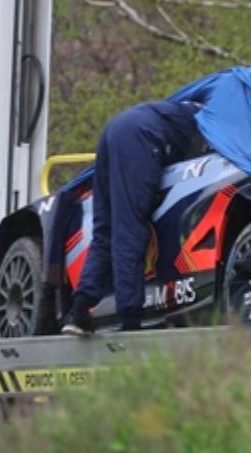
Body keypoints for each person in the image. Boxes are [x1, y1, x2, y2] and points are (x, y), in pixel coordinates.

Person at [62, 99, 205, 335]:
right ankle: (130, 318)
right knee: (129, 229)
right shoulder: (209, 120)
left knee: (105, 231)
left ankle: (79, 311)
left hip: (115, 129)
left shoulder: (182, 107)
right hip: (139, 137)